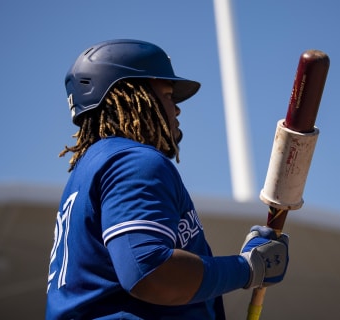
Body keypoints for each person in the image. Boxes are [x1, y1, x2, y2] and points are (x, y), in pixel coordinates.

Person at [46, 39, 289, 320]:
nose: (177, 108)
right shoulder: (133, 161)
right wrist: (248, 268)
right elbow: (148, 270)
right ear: (132, 95)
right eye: (168, 94)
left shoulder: (90, 170)